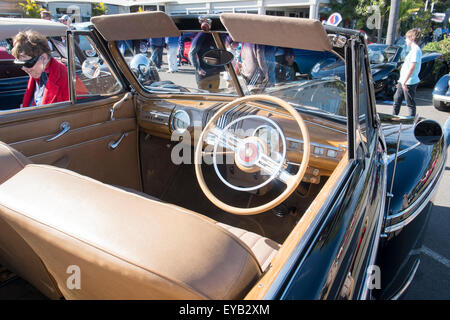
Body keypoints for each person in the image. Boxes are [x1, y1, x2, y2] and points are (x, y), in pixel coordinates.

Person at [11, 30, 84, 108]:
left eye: (28, 64)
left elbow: (80, 110)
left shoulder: (68, 79)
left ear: (44, 58)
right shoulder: (38, 73)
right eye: (20, 64)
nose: (24, 68)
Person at [393, 28, 422, 117]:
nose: (405, 40)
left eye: (406, 38)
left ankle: (411, 121)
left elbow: (412, 67)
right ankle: (393, 118)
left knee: (410, 103)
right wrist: (401, 81)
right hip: (404, 81)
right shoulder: (412, 51)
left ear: (412, 38)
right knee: (396, 101)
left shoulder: (416, 50)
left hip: (409, 82)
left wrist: (405, 82)